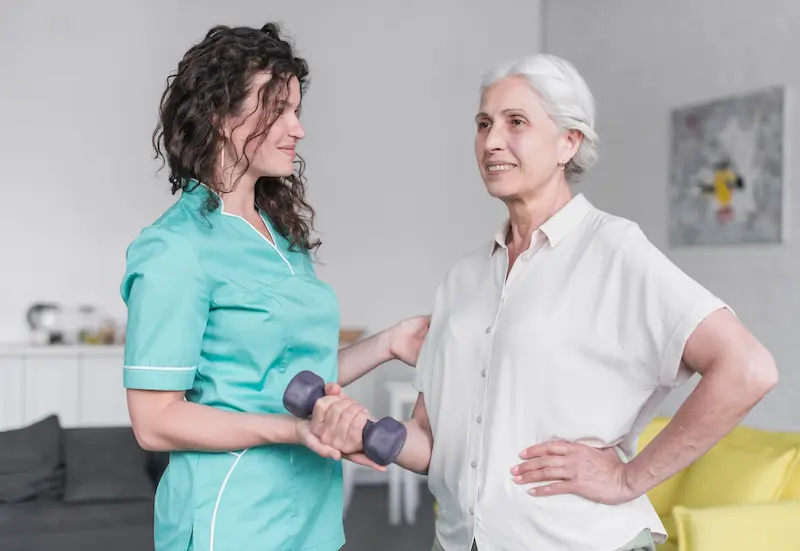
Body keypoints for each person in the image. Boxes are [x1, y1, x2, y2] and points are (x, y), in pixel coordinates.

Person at [309, 53, 779, 551]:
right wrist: (368, 432)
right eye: (484, 123)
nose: (491, 141)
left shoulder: (615, 250)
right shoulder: (464, 279)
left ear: (568, 142)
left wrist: (629, 479)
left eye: (516, 123)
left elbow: (747, 368)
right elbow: (435, 445)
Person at [120, 23, 430, 551]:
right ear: (221, 115)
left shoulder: (279, 235)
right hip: (232, 512)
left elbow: (287, 374)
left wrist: (388, 344)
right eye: (278, 109)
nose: (297, 129)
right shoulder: (176, 248)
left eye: (297, 111)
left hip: (310, 505)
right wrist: (292, 431)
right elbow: (154, 421)